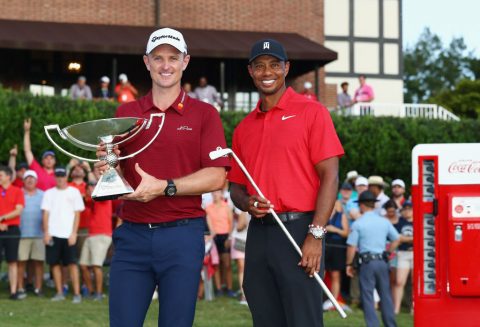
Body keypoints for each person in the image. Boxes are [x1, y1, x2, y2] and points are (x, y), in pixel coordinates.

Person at [95, 27, 229, 327]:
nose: (165, 65)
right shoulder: (127, 111)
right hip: (132, 235)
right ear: (146, 62)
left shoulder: (205, 114)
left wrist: (165, 187)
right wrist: (105, 167)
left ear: (185, 61)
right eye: (158, 58)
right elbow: (113, 167)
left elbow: (217, 177)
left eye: (173, 57)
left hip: (182, 236)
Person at [229, 38, 344, 327]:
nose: (267, 72)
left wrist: (316, 236)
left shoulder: (312, 112)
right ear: (251, 71)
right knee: (264, 315)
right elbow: (236, 187)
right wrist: (246, 202)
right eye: (260, 66)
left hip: (299, 230)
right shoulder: (244, 127)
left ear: (286, 68)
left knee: (302, 319)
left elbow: (330, 176)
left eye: (274, 65)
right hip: (259, 232)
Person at [346, 191, 400, 327]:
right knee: (385, 296)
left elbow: (352, 247)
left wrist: (349, 264)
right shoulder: (384, 222)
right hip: (382, 261)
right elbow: (396, 239)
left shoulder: (358, 223)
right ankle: (391, 325)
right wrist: (388, 253)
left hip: (367, 263)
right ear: (374, 205)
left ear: (362, 206)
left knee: (368, 296)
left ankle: (373, 325)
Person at [42, 167, 85, 303]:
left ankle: (77, 293)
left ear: (66, 177)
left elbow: (77, 214)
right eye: (58, 176)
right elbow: (45, 214)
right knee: (54, 264)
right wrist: (47, 232)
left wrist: (74, 233)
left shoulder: (74, 192)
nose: (60, 178)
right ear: (55, 177)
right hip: (53, 234)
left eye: (62, 176)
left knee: (72, 264)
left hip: (68, 235)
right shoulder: (49, 193)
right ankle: (60, 292)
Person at [79, 181, 112, 300]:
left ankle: (99, 293)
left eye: (93, 186)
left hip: (102, 234)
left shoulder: (104, 196)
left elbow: (92, 198)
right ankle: (91, 291)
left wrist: (88, 194)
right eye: (88, 187)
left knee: (96, 265)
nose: (90, 189)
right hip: (91, 235)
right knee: (83, 265)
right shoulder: (91, 201)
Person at [17, 170, 45, 298]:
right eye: (27, 178)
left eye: (32, 178)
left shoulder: (43, 195)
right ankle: (20, 288)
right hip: (21, 234)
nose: (30, 180)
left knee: (38, 262)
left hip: (39, 234)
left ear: (36, 181)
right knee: (21, 262)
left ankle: (38, 288)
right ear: (23, 181)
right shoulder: (18, 193)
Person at [0, 165, 25, 300]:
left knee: (12, 261)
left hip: (12, 230)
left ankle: (13, 291)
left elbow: (18, 210)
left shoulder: (17, 191)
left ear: (8, 177)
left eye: (1, 175)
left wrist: (3, 218)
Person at [205, 190, 234, 297]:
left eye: (217, 193)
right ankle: (218, 289)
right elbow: (208, 224)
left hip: (225, 236)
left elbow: (231, 224)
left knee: (227, 264)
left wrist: (229, 238)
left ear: (222, 194)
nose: (215, 195)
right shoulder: (208, 208)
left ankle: (229, 288)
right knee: (216, 264)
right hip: (214, 237)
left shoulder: (227, 207)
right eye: (213, 193)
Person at [323, 199, 349, 310]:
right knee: (321, 273)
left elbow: (346, 233)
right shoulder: (322, 213)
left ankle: (334, 301)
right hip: (324, 245)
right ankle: (321, 299)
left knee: (335, 275)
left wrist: (334, 229)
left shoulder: (341, 216)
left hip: (337, 247)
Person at [392, 201, 413, 314]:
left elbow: (420, 237)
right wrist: (411, 239)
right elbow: (397, 238)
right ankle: (396, 308)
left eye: (409, 208)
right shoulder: (399, 222)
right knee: (399, 281)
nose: (407, 211)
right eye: (405, 209)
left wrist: (404, 238)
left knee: (415, 282)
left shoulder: (418, 220)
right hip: (403, 253)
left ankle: (413, 307)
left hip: (415, 253)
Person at [23, 118, 56, 191]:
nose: (49, 160)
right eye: (46, 158)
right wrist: (27, 131)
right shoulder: (36, 168)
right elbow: (27, 150)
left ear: (55, 161)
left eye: (51, 158)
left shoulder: (59, 174)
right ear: (42, 161)